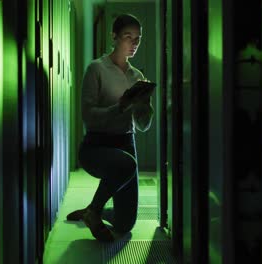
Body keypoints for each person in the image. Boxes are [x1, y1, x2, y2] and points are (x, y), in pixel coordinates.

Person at [66, 14, 154, 242]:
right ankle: (94, 210)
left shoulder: (137, 76)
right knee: (128, 163)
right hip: (96, 146)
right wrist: (121, 106)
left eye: (138, 38)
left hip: (126, 142)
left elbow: (143, 127)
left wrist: (145, 107)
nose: (134, 43)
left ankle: (91, 212)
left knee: (126, 224)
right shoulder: (96, 69)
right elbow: (89, 117)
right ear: (114, 37)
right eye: (128, 37)